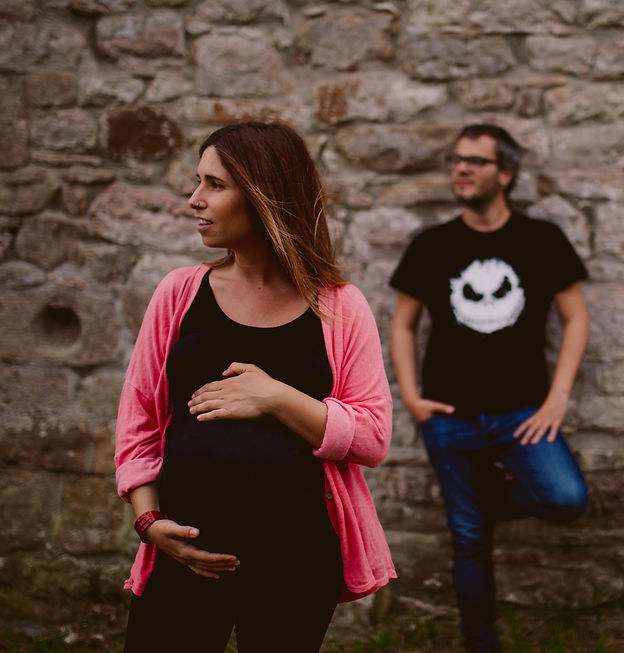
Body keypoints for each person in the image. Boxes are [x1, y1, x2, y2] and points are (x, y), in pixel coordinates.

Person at [114, 121, 395, 652]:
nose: (195, 200)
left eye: (215, 185)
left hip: (296, 559)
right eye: (197, 181)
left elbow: (373, 437)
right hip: (185, 554)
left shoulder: (339, 306)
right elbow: (140, 423)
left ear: (266, 195)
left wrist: (275, 397)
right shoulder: (179, 293)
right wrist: (149, 523)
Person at [389, 124, 590, 652]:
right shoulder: (432, 245)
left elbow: (576, 319)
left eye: (475, 161)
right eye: (457, 159)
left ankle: (487, 496)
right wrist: (409, 396)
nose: (461, 168)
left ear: (505, 174)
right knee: (470, 540)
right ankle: (481, 646)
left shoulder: (542, 240)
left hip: (522, 413)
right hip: (448, 417)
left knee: (566, 499)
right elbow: (403, 325)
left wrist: (557, 399)